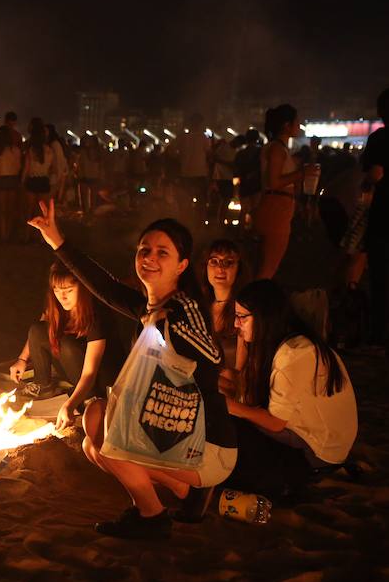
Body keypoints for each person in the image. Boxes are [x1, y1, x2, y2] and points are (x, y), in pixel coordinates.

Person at [28, 202, 237, 539]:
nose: (149, 258)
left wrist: (175, 333)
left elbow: (211, 357)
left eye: (162, 253)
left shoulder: (182, 310)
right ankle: (183, 492)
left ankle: (153, 517)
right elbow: (105, 288)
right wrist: (57, 241)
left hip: (206, 443)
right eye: (144, 250)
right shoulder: (150, 307)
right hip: (171, 428)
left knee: (112, 435)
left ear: (182, 265)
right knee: (94, 419)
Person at [223, 280, 357, 497]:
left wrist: (228, 406)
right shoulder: (278, 342)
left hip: (318, 449)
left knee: (228, 426)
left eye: (242, 317)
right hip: (307, 432)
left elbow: (275, 422)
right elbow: (244, 386)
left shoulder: (294, 354)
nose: (236, 324)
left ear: (266, 317)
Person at [9, 260, 124, 432]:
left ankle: (88, 400)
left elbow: (90, 372)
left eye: (69, 291)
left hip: (100, 379)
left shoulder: (96, 314)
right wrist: (22, 359)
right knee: (38, 330)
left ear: (83, 288)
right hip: (74, 366)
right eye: (57, 290)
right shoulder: (58, 303)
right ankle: (43, 385)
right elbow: (39, 330)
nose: (62, 297)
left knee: (67, 344)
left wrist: (70, 405)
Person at [255, 104, 317, 279]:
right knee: (268, 268)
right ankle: (255, 302)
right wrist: (302, 173)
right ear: (286, 125)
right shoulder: (277, 149)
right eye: (296, 122)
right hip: (276, 209)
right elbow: (274, 182)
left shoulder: (279, 148)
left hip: (276, 207)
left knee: (264, 265)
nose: (299, 125)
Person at [362, 88, 389, 350]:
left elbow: (374, 175)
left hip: (382, 217)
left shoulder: (379, 139)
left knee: (380, 280)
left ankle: (378, 331)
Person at [201, 239, 246, 374]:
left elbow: (241, 368)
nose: (220, 268)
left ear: (239, 269)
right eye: (214, 261)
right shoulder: (200, 308)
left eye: (228, 262)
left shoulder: (244, 310)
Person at [173, 114, 211, 224]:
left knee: (186, 200)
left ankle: (186, 222)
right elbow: (209, 154)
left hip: (185, 173)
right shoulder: (204, 137)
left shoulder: (182, 137)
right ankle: (200, 223)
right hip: (200, 173)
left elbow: (171, 152)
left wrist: (180, 159)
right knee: (201, 201)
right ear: (200, 124)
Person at [22, 118, 55, 238]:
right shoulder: (49, 150)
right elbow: (52, 168)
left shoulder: (31, 150)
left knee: (29, 211)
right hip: (44, 181)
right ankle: (43, 237)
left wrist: (22, 182)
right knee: (42, 211)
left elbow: (26, 168)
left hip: (32, 181)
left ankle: (26, 235)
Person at [0, 125, 22, 242]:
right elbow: (19, 166)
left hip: (1, 180)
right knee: (10, 209)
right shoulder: (16, 150)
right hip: (13, 179)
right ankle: (9, 234)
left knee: (2, 210)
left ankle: (3, 234)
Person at [76, 135, 105, 222]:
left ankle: (87, 214)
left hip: (86, 176)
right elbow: (101, 165)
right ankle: (90, 214)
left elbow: (80, 164)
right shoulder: (98, 152)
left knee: (86, 196)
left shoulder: (84, 152)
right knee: (92, 197)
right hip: (92, 176)